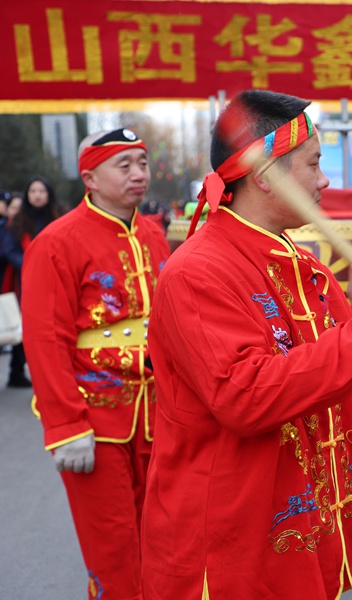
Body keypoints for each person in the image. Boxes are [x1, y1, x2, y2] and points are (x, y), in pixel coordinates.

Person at [140, 90, 352, 599]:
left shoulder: (304, 265)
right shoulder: (198, 271)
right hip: (230, 541)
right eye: (314, 163)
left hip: (299, 523)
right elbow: (244, 396)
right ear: (266, 175)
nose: (325, 180)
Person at [20, 129, 169, 598]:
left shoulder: (153, 233)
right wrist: (65, 426)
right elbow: (45, 338)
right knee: (115, 555)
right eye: (123, 165)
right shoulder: (55, 242)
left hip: (158, 417)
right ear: (90, 177)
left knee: (164, 545)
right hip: (95, 420)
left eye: (142, 163)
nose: (138, 174)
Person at [3, 177, 64, 388]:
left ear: (48, 194)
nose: (37, 195)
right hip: (26, 282)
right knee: (26, 327)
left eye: (41, 191)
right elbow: (9, 250)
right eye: (33, 191)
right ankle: (16, 372)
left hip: (58, 279)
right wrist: (31, 265)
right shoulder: (19, 221)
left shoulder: (59, 217)